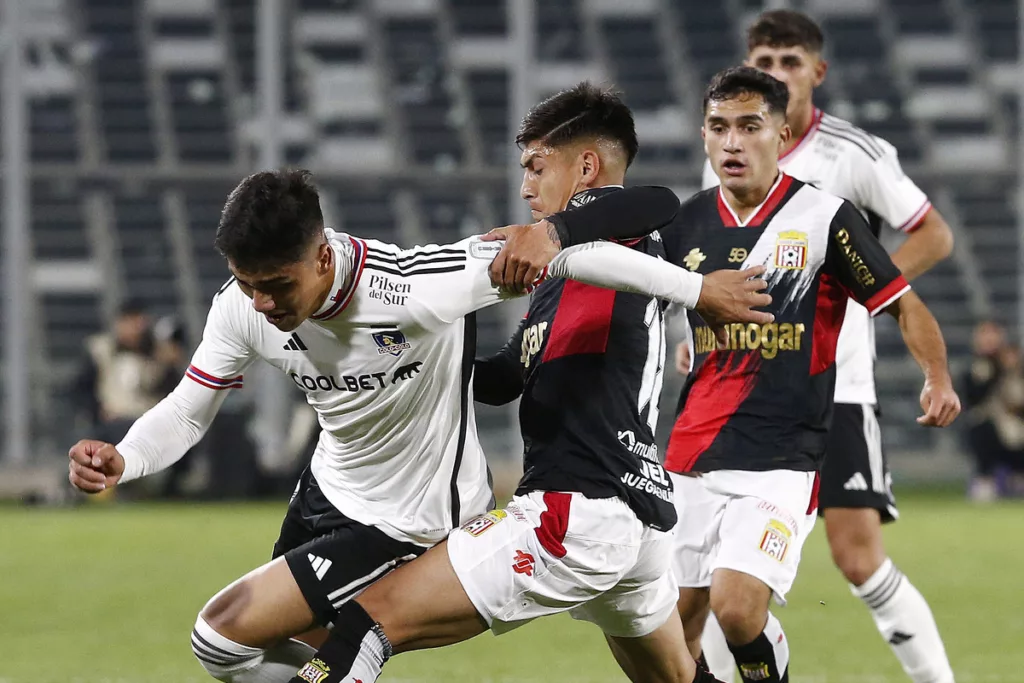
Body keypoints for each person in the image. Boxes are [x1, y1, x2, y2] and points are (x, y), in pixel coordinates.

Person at [68, 167, 770, 683]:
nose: (261, 302)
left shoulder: (413, 286)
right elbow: (190, 406)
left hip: (411, 515)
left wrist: (699, 288)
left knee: (223, 636)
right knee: (261, 652)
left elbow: (577, 254)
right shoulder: (241, 306)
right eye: (246, 282)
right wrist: (126, 458)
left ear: (321, 255)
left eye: (276, 286)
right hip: (329, 495)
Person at [479, 66, 961, 683]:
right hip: (691, 452)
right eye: (718, 128)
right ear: (704, 138)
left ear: (782, 137)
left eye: (749, 127)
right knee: (676, 633)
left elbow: (903, 304)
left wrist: (936, 376)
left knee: (736, 610)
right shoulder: (683, 225)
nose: (732, 142)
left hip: (784, 457)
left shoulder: (825, 219)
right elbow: (639, 287)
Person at [276, 83, 768, 683]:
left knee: (364, 624)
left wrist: (556, 232)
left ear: (586, 167)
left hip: (577, 511)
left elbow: (653, 199)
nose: (526, 186)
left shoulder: (620, 237)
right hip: (630, 516)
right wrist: (405, 355)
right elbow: (503, 379)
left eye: (537, 167)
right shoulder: (559, 276)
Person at [678, 12, 957, 683]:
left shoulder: (850, 155)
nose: (776, 73)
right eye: (764, 60)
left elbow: (934, 235)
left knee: (855, 556)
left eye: (789, 62)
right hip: (727, 403)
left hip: (840, 378)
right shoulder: (717, 172)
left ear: (815, 73)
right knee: (699, 597)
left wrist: (859, 280)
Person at [963, 320, 1024, 500]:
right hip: (986, 425)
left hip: (1013, 424)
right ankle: (985, 480)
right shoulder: (976, 367)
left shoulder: (1015, 367)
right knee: (983, 429)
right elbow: (974, 397)